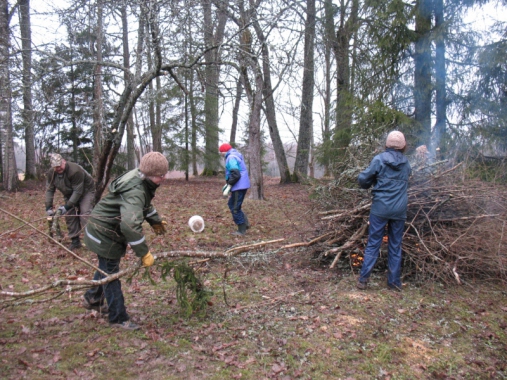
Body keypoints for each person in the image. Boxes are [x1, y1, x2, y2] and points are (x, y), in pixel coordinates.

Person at [82, 152, 169, 330]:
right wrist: (144, 253)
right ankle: (118, 317)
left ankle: (93, 298)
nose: (164, 178)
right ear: (152, 175)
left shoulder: (140, 179)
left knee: (105, 267)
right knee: (111, 274)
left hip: (101, 228)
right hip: (104, 233)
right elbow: (130, 226)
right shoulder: (136, 190)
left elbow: (144, 205)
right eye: (162, 175)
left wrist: (155, 221)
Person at [356, 131, 412, 292]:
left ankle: (363, 280)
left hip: (380, 209)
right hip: (399, 210)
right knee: (395, 245)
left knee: (374, 243)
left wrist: (371, 182)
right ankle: (394, 282)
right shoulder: (406, 163)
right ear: (403, 146)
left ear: (387, 144)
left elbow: (363, 179)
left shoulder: (379, 159)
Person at [45, 153, 95, 250]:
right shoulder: (51, 174)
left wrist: (66, 206)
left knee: (84, 213)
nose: (58, 169)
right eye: (56, 168)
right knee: (69, 214)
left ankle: (92, 240)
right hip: (69, 193)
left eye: (60, 166)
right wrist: (48, 207)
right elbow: (49, 190)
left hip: (86, 191)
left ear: (63, 162)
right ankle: (75, 241)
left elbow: (78, 191)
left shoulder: (75, 170)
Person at [219, 143, 251, 236]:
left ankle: (241, 230)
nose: (220, 154)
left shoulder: (231, 158)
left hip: (239, 186)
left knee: (235, 208)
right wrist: (228, 184)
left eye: (221, 152)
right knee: (231, 204)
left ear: (224, 151)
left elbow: (236, 174)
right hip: (240, 185)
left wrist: (229, 185)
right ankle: (245, 224)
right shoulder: (235, 155)